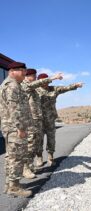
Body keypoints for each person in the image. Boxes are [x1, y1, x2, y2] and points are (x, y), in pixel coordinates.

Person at [21, 69, 63, 174]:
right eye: (34, 76)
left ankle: (45, 158)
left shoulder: (37, 88)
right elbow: (37, 83)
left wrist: (75, 85)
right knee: (34, 143)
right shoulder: (28, 86)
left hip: (42, 119)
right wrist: (53, 77)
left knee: (42, 140)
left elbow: (63, 88)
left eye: (35, 76)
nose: (35, 78)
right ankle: (31, 164)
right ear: (27, 76)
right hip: (32, 120)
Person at [0, 61, 32, 197]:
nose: (24, 73)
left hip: (11, 127)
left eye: (25, 71)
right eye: (21, 70)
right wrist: (20, 128)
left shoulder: (14, 85)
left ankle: (9, 185)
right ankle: (14, 187)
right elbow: (14, 109)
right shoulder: (12, 86)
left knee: (12, 157)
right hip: (14, 128)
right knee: (16, 157)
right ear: (12, 71)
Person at [36, 73, 83, 166]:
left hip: (50, 119)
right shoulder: (34, 90)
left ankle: (50, 157)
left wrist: (75, 85)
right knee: (38, 140)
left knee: (51, 139)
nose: (45, 83)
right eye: (43, 80)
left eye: (47, 80)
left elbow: (65, 88)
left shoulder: (53, 89)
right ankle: (39, 157)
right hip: (38, 120)